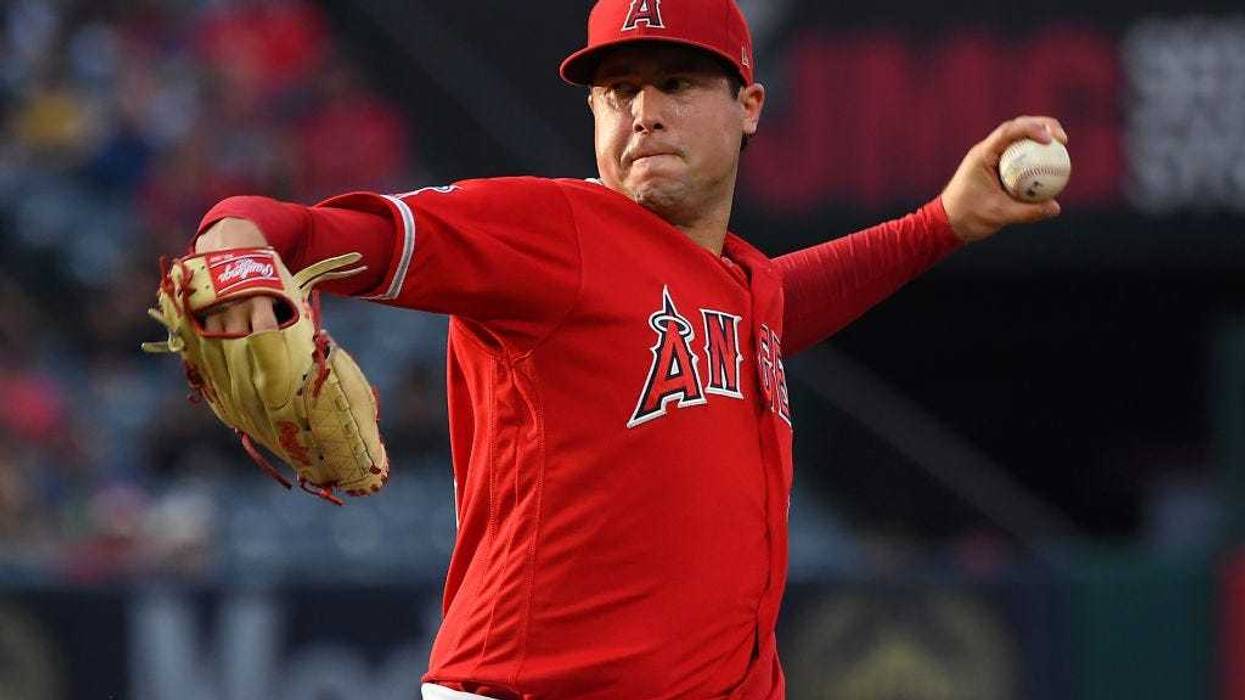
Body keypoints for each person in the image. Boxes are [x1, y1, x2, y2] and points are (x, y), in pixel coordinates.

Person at [187, 0, 1066, 697]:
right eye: (618, 92)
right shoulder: (550, 230)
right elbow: (318, 231)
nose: (643, 113)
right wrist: (233, 243)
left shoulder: (739, 284)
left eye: (676, 83)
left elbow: (779, 307)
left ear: (747, 105)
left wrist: (939, 224)